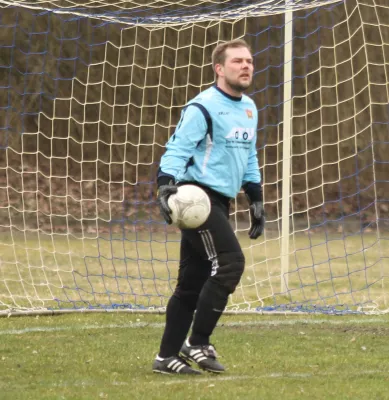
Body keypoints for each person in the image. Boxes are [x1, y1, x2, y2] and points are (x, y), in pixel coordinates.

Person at [152, 39, 265, 375]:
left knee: (192, 282)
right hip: (196, 200)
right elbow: (177, 148)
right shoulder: (202, 107)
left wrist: (255, 197)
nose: (245, 66)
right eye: (237, 62)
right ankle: (197, 342)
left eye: (249, 61)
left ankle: (165, 357)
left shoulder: (249, 108)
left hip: (222, 201)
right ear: (219, 68)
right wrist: (164, 184)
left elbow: (249, 157)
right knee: (231, 263)